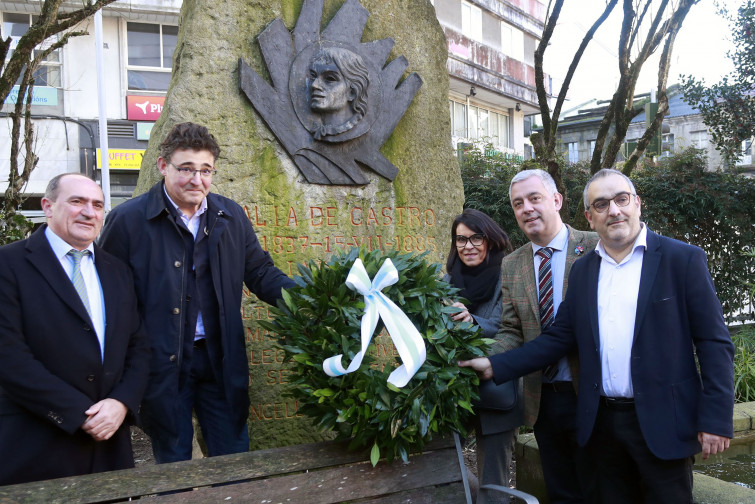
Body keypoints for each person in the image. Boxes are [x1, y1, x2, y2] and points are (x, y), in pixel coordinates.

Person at [460, 168, 735, 503]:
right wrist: (492, 365)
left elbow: (714, 343)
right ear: (591, 217)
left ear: (637, 203)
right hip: (601, 425)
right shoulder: (586, 270)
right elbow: (557, 338)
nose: (614, 210)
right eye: (602, 205)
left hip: (664, 422)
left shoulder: (682, 259)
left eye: (621, 199)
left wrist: (717, 418)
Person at [99, 122, 296, 463]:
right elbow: (109, 300)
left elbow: (261, 273)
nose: (197, 180)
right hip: (161, 363)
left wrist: (310, 299)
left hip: (219, 360)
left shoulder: (230, 215)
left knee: (234, 460)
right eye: (186, 169)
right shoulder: (128, 221)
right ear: (163, 166)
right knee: (174, 465)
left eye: (206, 171)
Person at [0, 174, 149, 485]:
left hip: (109, 448)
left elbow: (138, 347)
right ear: (48, 206)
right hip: (37, 444)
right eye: (77, 201)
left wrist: (121, 402)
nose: (89, 212)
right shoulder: (8, 265)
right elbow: (9, 356)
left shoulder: (118, 270)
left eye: (97, 205)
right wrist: (79, 412)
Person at [497, 169, 598, 503]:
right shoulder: (512, 264)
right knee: (560, 491)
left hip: (596, 395)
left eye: (534, 198)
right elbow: (511, 330)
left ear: (556, 200)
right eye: (518, 203)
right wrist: (487, 360)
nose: (526, 208)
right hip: (544, 400)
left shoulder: (596, 246)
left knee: (601, 487)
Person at [444, 208, 518, 503]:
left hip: (498, 386)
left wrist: (473, 322)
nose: (468, 246)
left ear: (490, 240)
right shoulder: (448, 281)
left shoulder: (508, 274)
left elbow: (511, 326)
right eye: (461, 240)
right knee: (445, 465)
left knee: (494, 486)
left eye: (476, 238)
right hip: (456, 391)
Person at [306, 47, 369, 139]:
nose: (314, 85)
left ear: (352, 92)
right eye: (313, 76)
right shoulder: (317, 128)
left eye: (330, 79)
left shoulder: (360, 131)